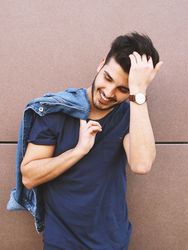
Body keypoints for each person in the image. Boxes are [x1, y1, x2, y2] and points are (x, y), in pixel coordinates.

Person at [20, 32, 163, 250]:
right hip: (62, 241)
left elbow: (141, 165)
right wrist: (78, 151)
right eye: (108, 78)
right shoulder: (57, 111)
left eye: (123, 89)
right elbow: (29, 177)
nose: (108, 92)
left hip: (111, 242)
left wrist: (138, 93)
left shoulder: (129, 114)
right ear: (100, 65)